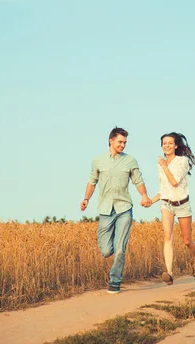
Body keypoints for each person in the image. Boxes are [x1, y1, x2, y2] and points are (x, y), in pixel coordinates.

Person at [80, 126, 151, 294]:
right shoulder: (98, 161)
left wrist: (144, 195)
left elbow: (138, 181)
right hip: (105, 210)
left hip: (124, 208)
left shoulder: (130, 161)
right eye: (120, 142)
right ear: (111, 140)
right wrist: (86, 199)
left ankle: (115, 281)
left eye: (125, 142)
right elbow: (92, 182)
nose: (123, 145)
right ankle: (115, 248)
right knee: (106, 250)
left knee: (120, 249)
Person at [148, 132, 195, 284]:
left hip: (182, 204)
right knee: (167, 236)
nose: (167, 145)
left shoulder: (182, 161)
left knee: (186, 240)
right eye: (164, 143)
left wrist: (164, 166)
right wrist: (151, 201)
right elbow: (164, 189)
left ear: (176, 146)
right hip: (166, 204)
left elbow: (173, 182)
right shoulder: (162, 164)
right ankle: (169, 273)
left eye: (170, 143)